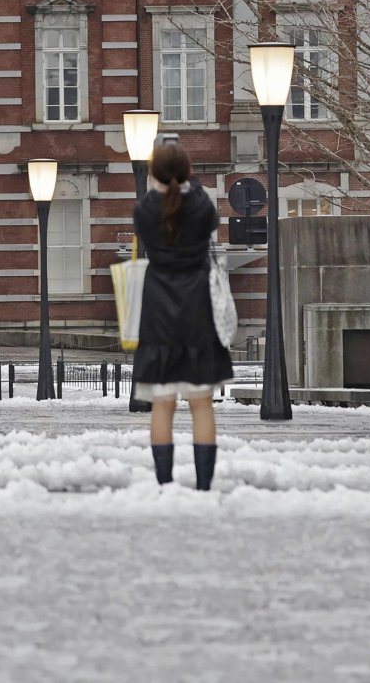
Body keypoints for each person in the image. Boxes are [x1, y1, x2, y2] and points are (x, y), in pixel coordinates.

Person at [131, 142, 234, 491]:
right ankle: (204, 484)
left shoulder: (145, 212)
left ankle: (164, 483)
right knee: (201, 404)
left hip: (159, 309)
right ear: (188, 172)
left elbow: (149, 205)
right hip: (197, 309)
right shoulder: (202, 207)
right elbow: (206, 209)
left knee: (163, 405)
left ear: (154, 174)